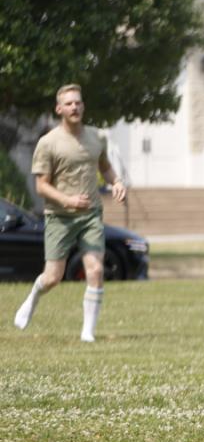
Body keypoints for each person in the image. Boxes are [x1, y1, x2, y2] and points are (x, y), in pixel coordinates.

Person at [12, 84, 127, 342]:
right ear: (59, 109)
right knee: (53, 277)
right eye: (69, 103)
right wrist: (68, 200)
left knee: (96, 270)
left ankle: (87, 332)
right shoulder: (48, 143)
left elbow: (105, 167)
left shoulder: (97, 137)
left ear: (83, 106)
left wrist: (116, 182)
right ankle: (33, 297)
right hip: (59, 217)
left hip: (90, 215)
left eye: (78, 102)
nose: (75, 107)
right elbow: (41, 186)